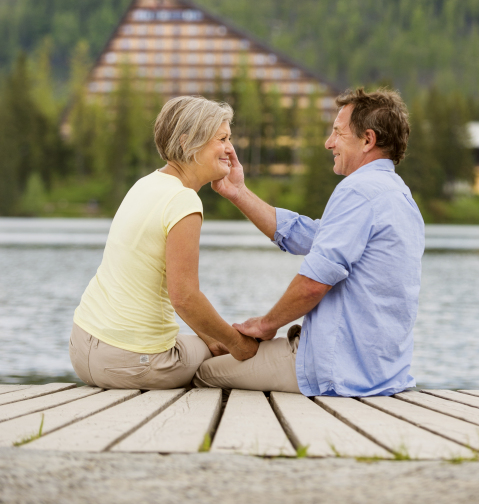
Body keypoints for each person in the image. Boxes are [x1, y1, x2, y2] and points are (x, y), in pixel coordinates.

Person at [199, 87, 424, 397]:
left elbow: (315, 283)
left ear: (368, 140)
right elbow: (306, 234)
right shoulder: (398, 195)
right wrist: (239, 193)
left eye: (337, 133)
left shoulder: (359, 191)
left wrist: (265, 325)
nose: (328, 143)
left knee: (205, 373)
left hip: (336, 371)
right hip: (381, 373)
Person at [69, 96, 258, 389]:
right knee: (221, 359)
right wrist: (238, 344)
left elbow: (181, 298)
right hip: (130, 364)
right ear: (187, 143)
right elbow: (184, 297)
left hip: (82, 348)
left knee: (208, 343)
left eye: (229, 138)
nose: (230, 149)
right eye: (221, 139)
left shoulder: (147, 183)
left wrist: (212, 336)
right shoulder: (183, 200)